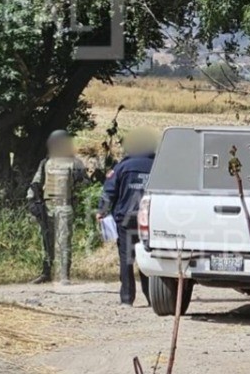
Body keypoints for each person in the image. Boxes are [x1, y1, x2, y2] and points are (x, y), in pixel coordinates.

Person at [98, 128, 158, 305]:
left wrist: (102, 211)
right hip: (151, 220)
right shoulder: (157, 166)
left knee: (127, 259)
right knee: (149, 257)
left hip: (126, 219)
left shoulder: (122, 167)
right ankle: (152, 298)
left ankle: (127, 298)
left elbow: (109, 192)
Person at [28, 130, 87, 285]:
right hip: (47, 206)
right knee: (46, 241)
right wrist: (32, 202)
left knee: (64, 240)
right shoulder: (46, 162)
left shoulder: (74, 163)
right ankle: (46, 272)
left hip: (64, 206)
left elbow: (84, 185)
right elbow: (36, 184)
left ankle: (64, 275)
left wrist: (80, 180)